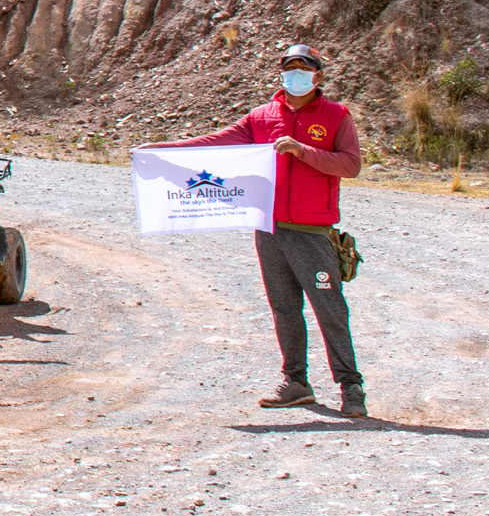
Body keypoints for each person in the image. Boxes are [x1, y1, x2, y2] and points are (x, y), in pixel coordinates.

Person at [153, 43, 365, 418]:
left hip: (313, 231)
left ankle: (351, 388)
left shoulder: (336, 116)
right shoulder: (262, 117)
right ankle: (296, 382)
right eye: (290, 68)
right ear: (280, 73)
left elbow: (350, 165)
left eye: (304, 69)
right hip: (268, 230)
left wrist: (303, 151)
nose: (296, 75)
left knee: (329, 309)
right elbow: (215, 143)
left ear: (318, 76)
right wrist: (160, 151)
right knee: (284, 308)